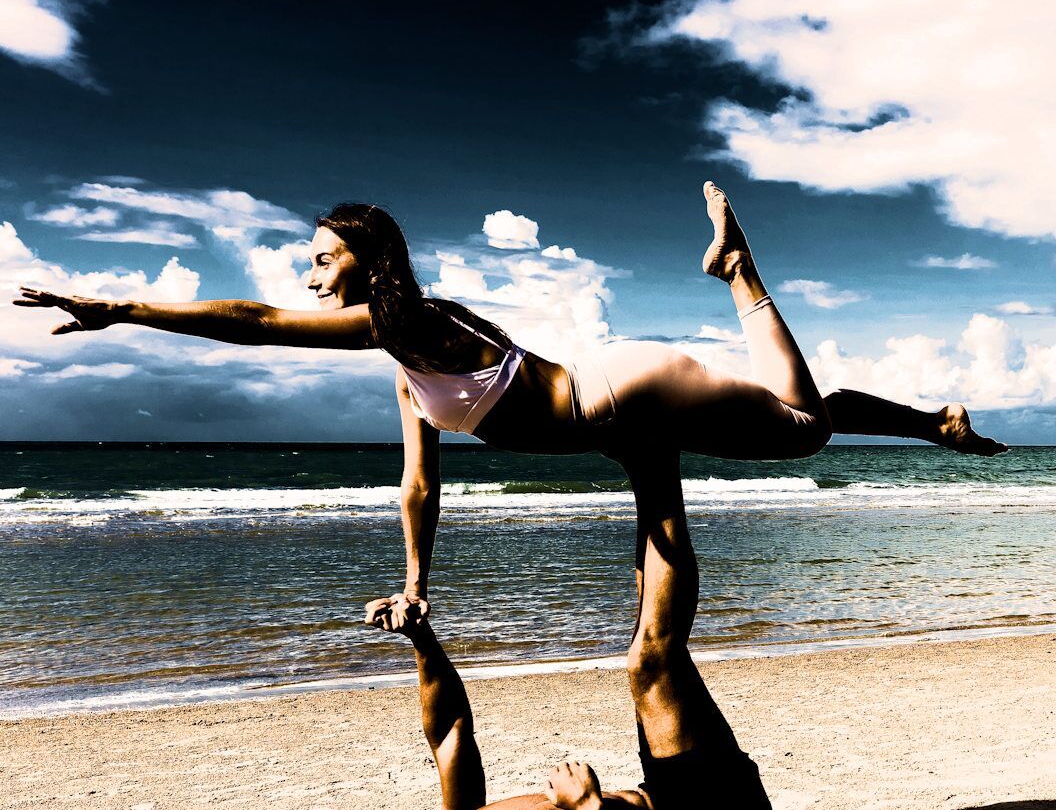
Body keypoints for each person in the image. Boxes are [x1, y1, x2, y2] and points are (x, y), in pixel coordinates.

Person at [16, 182, 1006, 618]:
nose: (308, 275)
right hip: (616, 406)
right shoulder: (405, 361)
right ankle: (935, 423)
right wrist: (416, 583)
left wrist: (125, 308)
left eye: (323, 258)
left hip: (619, 392)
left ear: (368, 259)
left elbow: (257, 324)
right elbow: (419, 487)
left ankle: (739, 271)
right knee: (793, 415)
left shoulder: (404, 321)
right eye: (309, 261)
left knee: (798, 433)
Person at [308, 453, 773, 810]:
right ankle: (657, 458)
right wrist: (588, 806)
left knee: (649, 614)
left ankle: (649, 469)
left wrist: (420, 639)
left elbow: (449, 732)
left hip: (670, 797)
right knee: (651, 661)